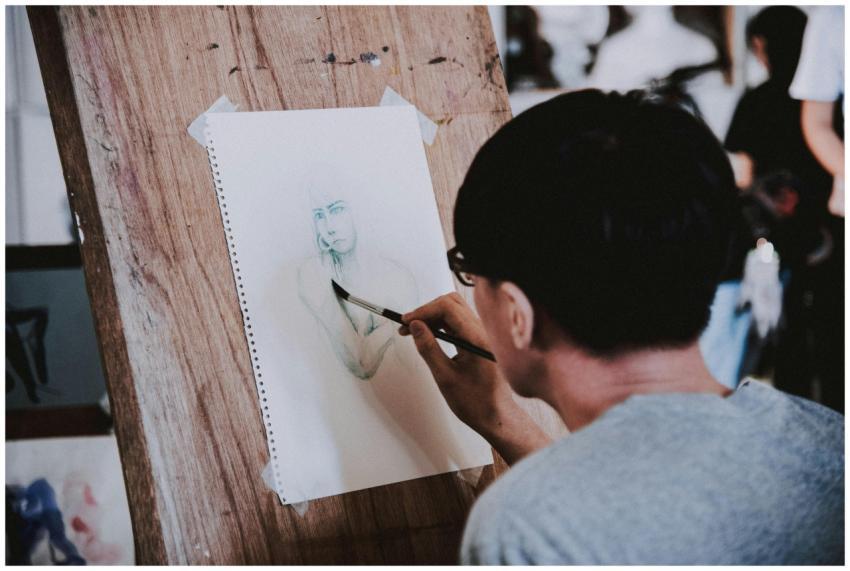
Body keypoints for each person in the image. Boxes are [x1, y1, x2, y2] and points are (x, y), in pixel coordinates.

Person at [398, 90, 844, 564]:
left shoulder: (522, 529)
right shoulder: (829, 444)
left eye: (470, 274)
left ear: (516, 313)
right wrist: (500, 423)